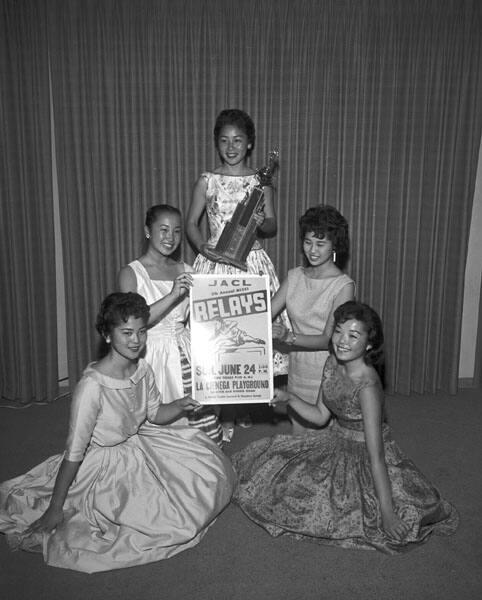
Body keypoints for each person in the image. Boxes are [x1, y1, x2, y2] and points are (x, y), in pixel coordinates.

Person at [0, 292, 236, 573]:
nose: (136, 340)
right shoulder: (92, 386)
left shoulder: (142, 368)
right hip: (104, 463)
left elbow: (155, 414)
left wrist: (180, 405)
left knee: (209, 471)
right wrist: (54, 508)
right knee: (162, 522)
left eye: (141, 332)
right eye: (126, 333)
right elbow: (75, 452)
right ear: (107, 335)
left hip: (142, 442)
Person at [232, 301, 459, 554]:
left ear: (369, 344)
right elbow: (319, 416)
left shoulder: (368, 387)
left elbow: (377, 457)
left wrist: (388, 513)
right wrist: (290, 398)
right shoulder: (332, 362)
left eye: (353, 335)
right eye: (338, 331)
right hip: (334, 439)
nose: (342, 340)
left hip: (364, 457)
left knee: (332, 508)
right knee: (277, 475)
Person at [185, 108, 289, 440]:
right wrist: (204, 248)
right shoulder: (207, 180)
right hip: (216, 263)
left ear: (249, 145)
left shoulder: (261, 182)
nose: (231, 147)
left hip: (251, 263)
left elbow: (272, 224)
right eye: (224, 140)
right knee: (220, 338)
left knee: (247, 338)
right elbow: (191, 223)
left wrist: (260, 218)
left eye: (238, 140)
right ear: (217, 143)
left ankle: (241, 404)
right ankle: (223, 410)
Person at [118, 204, 223, 447]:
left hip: (186, 351)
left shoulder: (187, 269)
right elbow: (135, 322)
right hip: (149, 355)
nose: (171, 238)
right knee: (156, 430)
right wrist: (174, 294)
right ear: (147, 231)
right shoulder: (131, 273)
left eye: (176, 231)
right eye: (163, 230)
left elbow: (208, 315)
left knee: (202, 431)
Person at [270, 204, 355, 433]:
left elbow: (329, 339)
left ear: (334, 245)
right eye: (308, 242)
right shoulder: (295, 276)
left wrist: (287, 336)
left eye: (321, 243)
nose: (313, 250)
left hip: (327, 368)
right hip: (298, 367)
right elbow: (266, 313)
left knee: (323, 441)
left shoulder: (343, 286)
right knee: (299, 434)